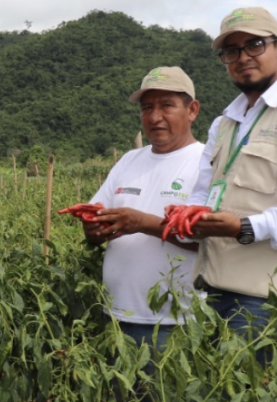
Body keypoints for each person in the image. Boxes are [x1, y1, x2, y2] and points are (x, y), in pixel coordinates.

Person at [80, 67, 203, 352]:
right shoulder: (129, 161)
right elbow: (97, 222)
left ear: (192, 110)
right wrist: (94, 229)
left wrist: (142, 223)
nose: (155, 116)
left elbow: (211, 241)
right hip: (115, 316)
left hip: (176, 323)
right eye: (147, 108)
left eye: (167, 106)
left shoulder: (206, 163)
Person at [186, 7, 277, 335]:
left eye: (255, 44)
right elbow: (204, 190)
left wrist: (244, 226)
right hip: (210, 289)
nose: (243, 56)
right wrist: (190, 215)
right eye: (231, 50)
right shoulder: (225, 122)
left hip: (266, 298)